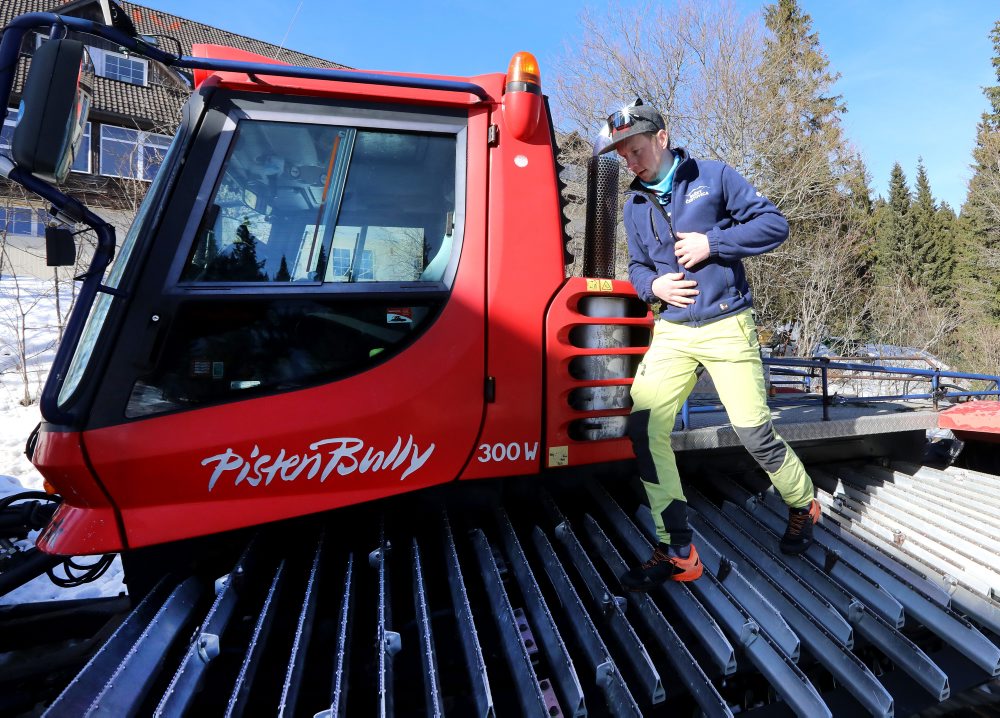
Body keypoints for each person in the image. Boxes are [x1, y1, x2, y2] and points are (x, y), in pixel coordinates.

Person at [599, 100, 820, 591]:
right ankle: (678, 551)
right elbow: (636, 267)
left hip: (727, 323)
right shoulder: (633, 205)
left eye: (635, 150)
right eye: (622, 156)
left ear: (662, 137)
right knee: (644, 427)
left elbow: (774, 225)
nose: (630, 162)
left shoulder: (713, 176)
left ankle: (803, 502)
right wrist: (651, 289)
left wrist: (712, 244)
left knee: (753, 432)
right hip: (674, 331)